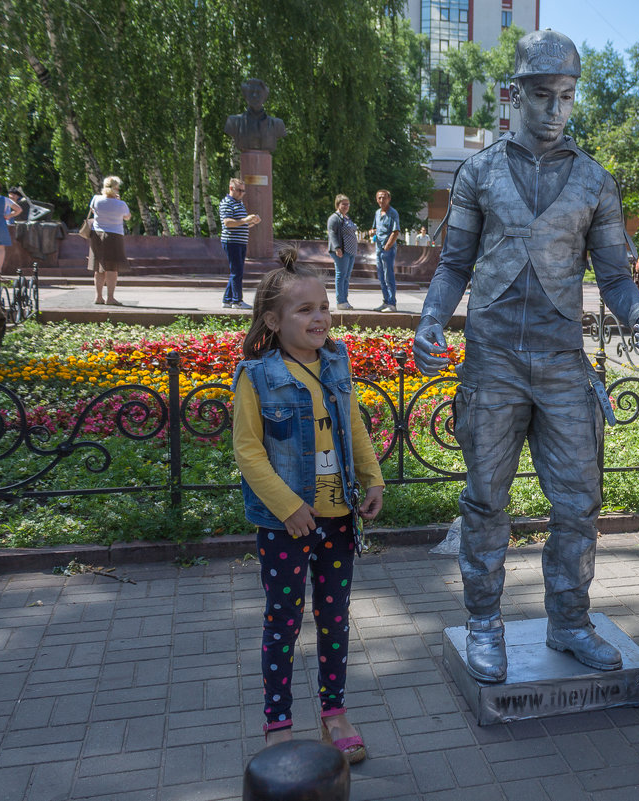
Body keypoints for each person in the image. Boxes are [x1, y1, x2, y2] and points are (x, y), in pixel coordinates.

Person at [413, 29, 639, 683]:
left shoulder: (593, 180)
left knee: (579, 502)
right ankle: (483, 622)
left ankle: (570, 620)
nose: (556, 109)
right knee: (485, 500)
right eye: (542, 95)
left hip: (561, 361)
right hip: (493, 359)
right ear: (514, 95)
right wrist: (430, 322)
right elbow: (453, 264)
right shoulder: (478, 171)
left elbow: (614, 276)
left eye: (566, 96)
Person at [232, 244, 384, 758]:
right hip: (286, 526)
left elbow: (354, 427)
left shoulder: (336, 364)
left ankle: (334, 713)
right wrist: (286, 506)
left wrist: (373, 479)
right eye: (304, 309)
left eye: (323, 306)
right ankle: (278, 722)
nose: (319, 318)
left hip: (338, 518)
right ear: (273, 321)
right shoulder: (258, 377)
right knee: (284, 619)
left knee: (335, 617)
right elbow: (248, 450)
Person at [87, 175, 132, 305]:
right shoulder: (121, 204)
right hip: (114, 236)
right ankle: (110, 298)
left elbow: (93, 211)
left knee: (99, 267)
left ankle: (98, 297)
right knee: (112, 268)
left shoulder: (96, 199)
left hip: (97, 235)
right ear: (116, 188)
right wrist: (118, 201)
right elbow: (127, 217)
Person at [219, 178, 260, 310]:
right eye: (239, 190)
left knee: (236, 271)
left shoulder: (239, 203)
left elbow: (241, 226)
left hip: (240, 241)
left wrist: (253, 222)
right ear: (231, 189)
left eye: (244, 191)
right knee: (237, 271)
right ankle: (237, 301)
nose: (242, 193)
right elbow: (228, 223)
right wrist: (245, 220)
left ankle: (227, 299)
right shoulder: (227, 203)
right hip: (232, 241)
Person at [224, 78, 287, 153]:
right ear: (245, 96)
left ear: (265, 96)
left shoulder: (277, 124)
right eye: (251, 92)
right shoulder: (234, 122)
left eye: (258, 92)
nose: (254, 95)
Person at [370, 189, 400, 312]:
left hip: (388, 249)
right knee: (381, 277)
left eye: (384, 197)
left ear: (389, 199)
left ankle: (392, 304)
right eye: (379, 198)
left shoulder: (393, 213)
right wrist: (371, 232)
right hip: (378, 248)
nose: (382, 200)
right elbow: (374, 228)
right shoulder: (377, 213)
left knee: (389, 276)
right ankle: (385, 301)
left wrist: (387, 246)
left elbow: (395, 231)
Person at [326, 195, 358, 311]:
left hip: (350, 251)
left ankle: (345, 300)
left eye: (348, 204)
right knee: (341, 275)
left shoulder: (346, 217)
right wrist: (337, 248)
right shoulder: (334, 218)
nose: (346, 206)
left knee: (346, 277)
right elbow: (332, 233)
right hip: (341, 251)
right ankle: (340, 301)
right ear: (338, 204)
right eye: (343, 204)